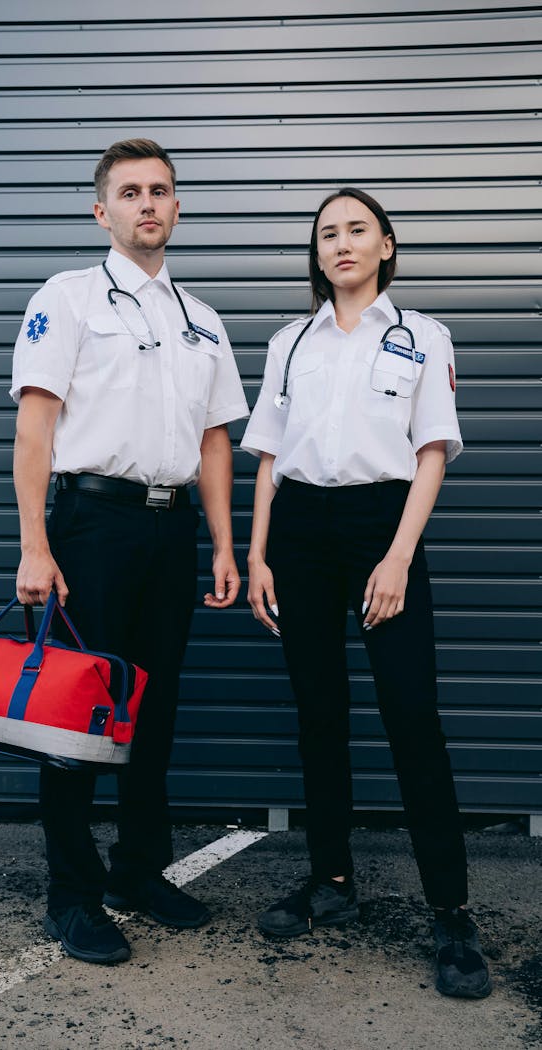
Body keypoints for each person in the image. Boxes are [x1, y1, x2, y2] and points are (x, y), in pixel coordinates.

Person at [241, 187, 491, 999]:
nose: (340, 244)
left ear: (386, 245)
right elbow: (269, 456)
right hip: (300, 531)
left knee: (412, 716)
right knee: (319, 714)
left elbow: (432, 452)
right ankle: (331, 880)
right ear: (316, 253)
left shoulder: (422, 336)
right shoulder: (290, 342)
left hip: (384, 523)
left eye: (356, 230)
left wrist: (397, 557)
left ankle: (451, 912)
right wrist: (258, 555)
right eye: (327, 234)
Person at [10, 138, 248, 965]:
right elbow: (35, 428)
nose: (148, 203)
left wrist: (223, 544)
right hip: (94, 526)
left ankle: (137, 871)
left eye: (160, 190)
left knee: (153, 708)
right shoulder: (68, 297)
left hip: (171, 531)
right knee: (76, 715)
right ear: (102, 211)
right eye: (131, 191)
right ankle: (71, 896)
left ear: (177, 207)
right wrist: (35, 544)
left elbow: (214, 442)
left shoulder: (202, 319)